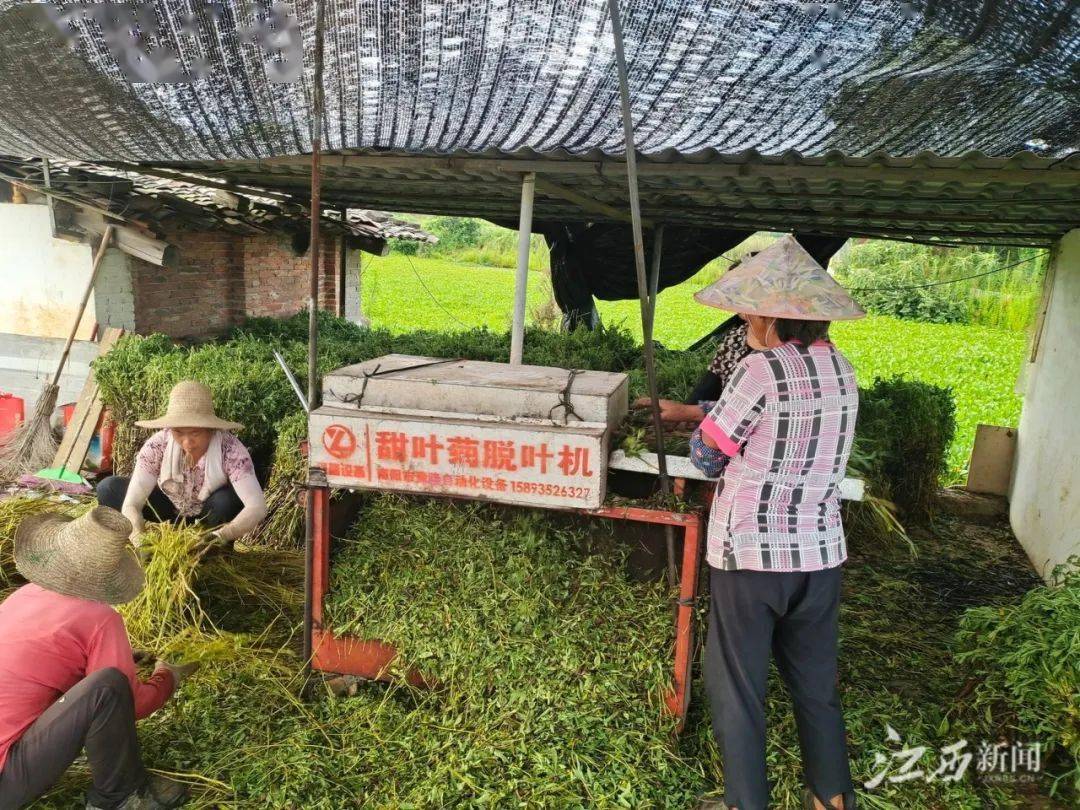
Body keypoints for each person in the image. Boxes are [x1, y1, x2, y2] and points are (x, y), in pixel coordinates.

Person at [688, 234, 865, 810]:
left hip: (752, 558)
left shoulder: (760, 371)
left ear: (771, 318)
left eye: (747, 318)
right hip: (820, 555)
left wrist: (709, 424)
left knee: (738, 689)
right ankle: (832, 801)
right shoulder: (843, 370)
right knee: (816, 688)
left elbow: (708, 455)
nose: (743, 328)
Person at [0, 506, 197, 809]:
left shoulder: (22, 596)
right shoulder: (100, 619)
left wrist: (124, 657)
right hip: (6, 778)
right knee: (107, 685)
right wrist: (167, 676)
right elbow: (135, 703)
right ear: (110, 573)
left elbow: (42, 663)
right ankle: (119, 796)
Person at [97, 381, 267, 546]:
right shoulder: (158, 445)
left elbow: (257, 507)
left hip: (210, 513)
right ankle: (125, 548)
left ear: (211, 429)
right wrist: (139, 540)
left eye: (195, 433)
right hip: (170, 506)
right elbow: (132, 503)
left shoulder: (231, 450)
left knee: (227, 500)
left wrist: (221, 536)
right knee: (108, 488)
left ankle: (213, 550)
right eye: (178, 432)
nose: (187, 442)